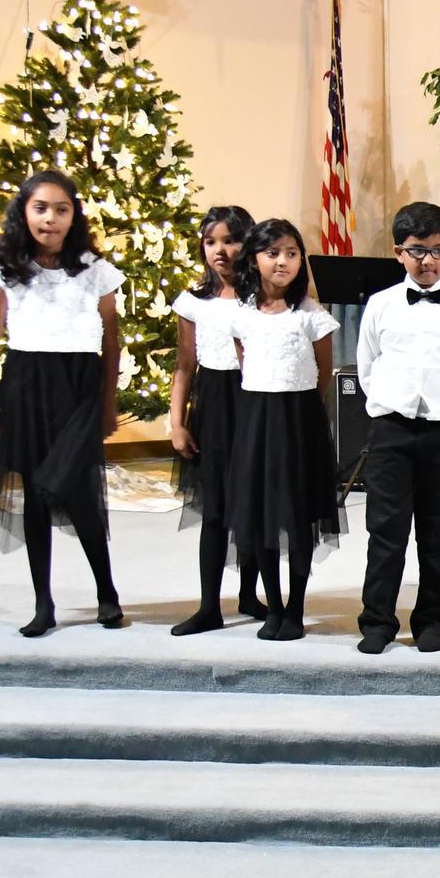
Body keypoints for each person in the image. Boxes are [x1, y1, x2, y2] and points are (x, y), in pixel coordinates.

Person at [0, 170, 125, 637]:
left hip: (78, 390)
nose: (50, 219)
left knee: (79, 491)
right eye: (40, 208)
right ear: (25, 212)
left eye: (61, 209)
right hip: (26, 388)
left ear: (74, 215)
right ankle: (43, 602)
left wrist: (108, 403)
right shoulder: (8, 269)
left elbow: (111, 341)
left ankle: (107, 592)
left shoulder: (95, 270)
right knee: (35, 496)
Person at [353, 201, 440, 655]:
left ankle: (433, 622)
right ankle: (377, 621)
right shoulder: (380, 305)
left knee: (438, 531)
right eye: (417, 251)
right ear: (399, 252)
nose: (428, 261)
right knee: (385, 531)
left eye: (438, 250)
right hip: (391, 430)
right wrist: (389, 409)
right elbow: (368, 367)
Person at [226, 218, 343, 641]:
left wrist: (300, 411)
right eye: (272, 253)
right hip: (256, 422)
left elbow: (323, 373)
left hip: (298, 423)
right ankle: (272, 607)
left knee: (297, 517)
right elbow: (244, 364)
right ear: (253, 260)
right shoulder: (242, 315)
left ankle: (295, 609)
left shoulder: (311, 315)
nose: (283, 261)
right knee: (260, 517)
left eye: (291, 253)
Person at [168, 204, 265, 635]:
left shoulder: (263, 297)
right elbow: (184, 365)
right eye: (211, 242)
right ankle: (209, 605)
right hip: (212, 405)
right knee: (215, 510)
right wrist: (177, 421)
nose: (220, 250)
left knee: (254, 505)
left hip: (254, 400)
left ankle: (250, 593)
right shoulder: (194, 302)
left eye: (230, 240)